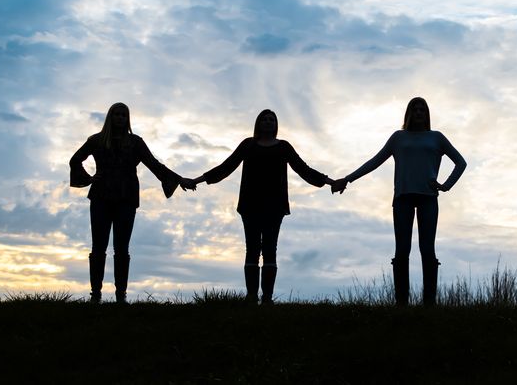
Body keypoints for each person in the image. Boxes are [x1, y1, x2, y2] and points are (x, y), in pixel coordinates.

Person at [331, 97, 466, 306]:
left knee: (427, 250)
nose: (419, 112)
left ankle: (429, 303)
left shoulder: (437, 138)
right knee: (402, 250)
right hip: (402, 198)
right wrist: (347, 179)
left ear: (427, 114)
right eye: (415, 108)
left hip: (428, 199)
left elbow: (460, 162)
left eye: (423, 109)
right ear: (409, 113)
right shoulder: (398, 138)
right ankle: (401, 303)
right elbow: (375, 161)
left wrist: (446, 185)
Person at [191, 109, 334, 304]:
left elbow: (304, 169)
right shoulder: (248, 145)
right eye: (264, 119)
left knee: (269, 249)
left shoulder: (283, 147)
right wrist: (197, 180)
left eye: (271, 120)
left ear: (276, 125)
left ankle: (266, 297)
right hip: (250, 205)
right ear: (258, 123)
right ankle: (251, 296)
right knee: (251, 249)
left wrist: (330, 181)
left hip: (275, 207)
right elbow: (226, 167)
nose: (268, 122)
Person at [70, 102, 196, 303]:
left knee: (121, 248)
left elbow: (154, 165)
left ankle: (121, 295)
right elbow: (75, 160)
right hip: (101, 196)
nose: (120, 118)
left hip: (126, 198)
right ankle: (96, 295)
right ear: (110, 117)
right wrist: (89, 179)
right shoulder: (96, 140)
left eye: (123, 115)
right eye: (117, 114)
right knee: (98, 247)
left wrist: (179, 179)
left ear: (128, 119)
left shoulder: (136, 143)